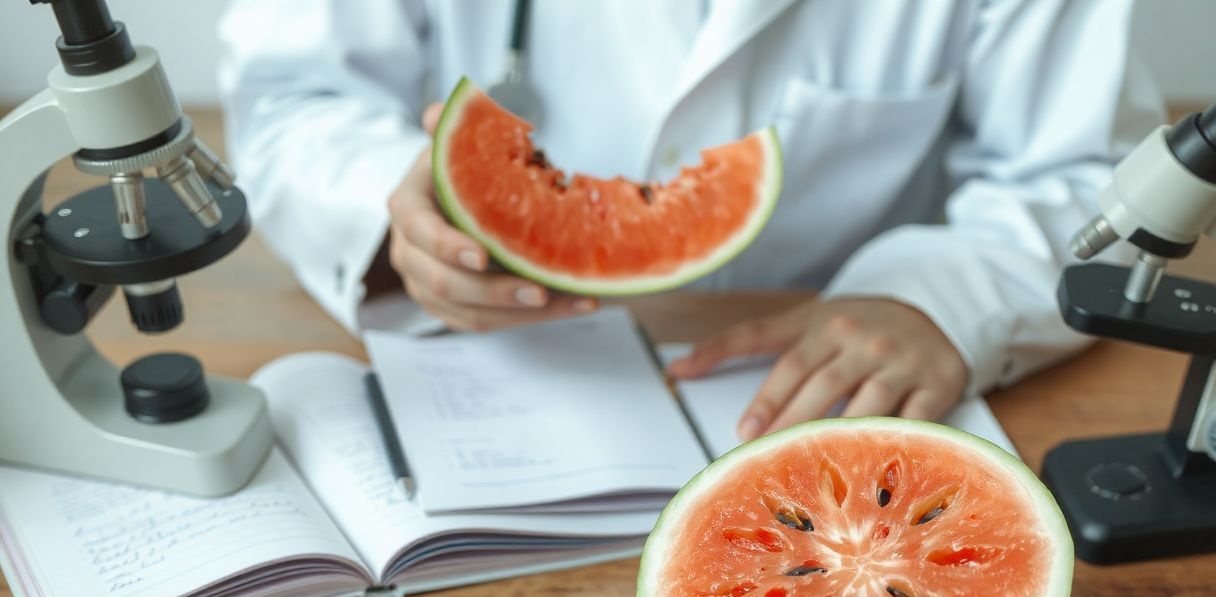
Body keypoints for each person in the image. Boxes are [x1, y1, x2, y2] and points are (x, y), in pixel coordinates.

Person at [218, 0, 1163, 441]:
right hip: (515, 390)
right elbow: (294, 96)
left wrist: (943, 297)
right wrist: (401, 222)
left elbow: (1090, 172)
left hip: (841, 395)